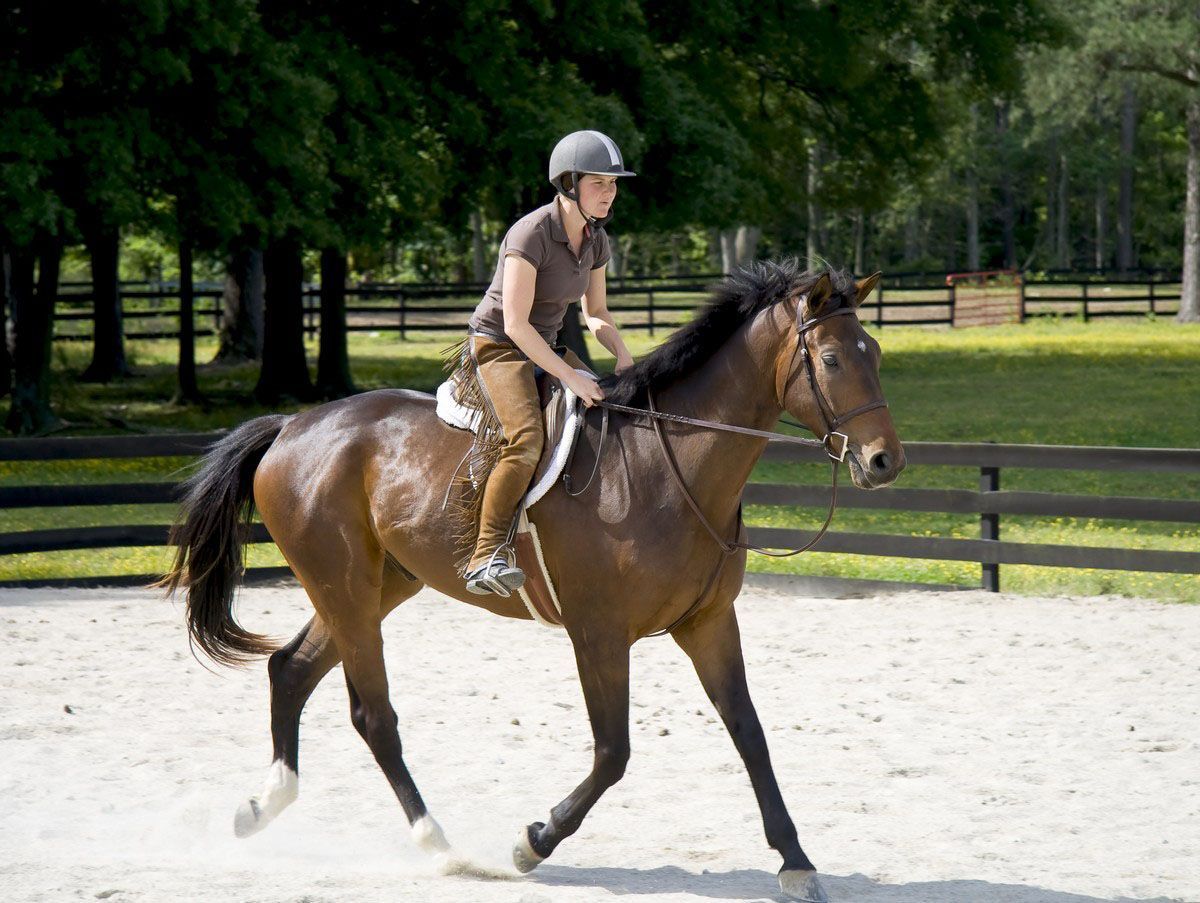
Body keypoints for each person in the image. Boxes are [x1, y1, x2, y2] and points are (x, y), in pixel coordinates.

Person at [452, 130, 637, 597]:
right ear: (569, 184)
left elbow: (596, 312)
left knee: (609, 411)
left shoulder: (596, 239)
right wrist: (571, 376)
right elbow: (515, 325)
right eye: (599, 183)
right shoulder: (531, 233)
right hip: (498, 346)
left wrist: (622, 353)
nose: (610, 193)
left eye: (614, 184)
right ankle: (485, 555)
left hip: (545, 346)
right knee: (526, 439)